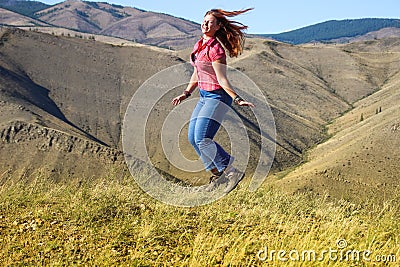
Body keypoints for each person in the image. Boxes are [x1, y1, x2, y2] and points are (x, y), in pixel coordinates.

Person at [171, 8, 255, 193]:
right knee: (193, 138)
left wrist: (237, 98)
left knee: (203, 138)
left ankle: (231, 172)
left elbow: (222, 79)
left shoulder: (216, 50)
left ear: (218, 27)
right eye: (204, 20)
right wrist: (186, 93)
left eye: (210, 22)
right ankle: (218, 176)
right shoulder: (199, 45)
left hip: (217, 96)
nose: (205, 24)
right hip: (203, 96)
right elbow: (197, 72)